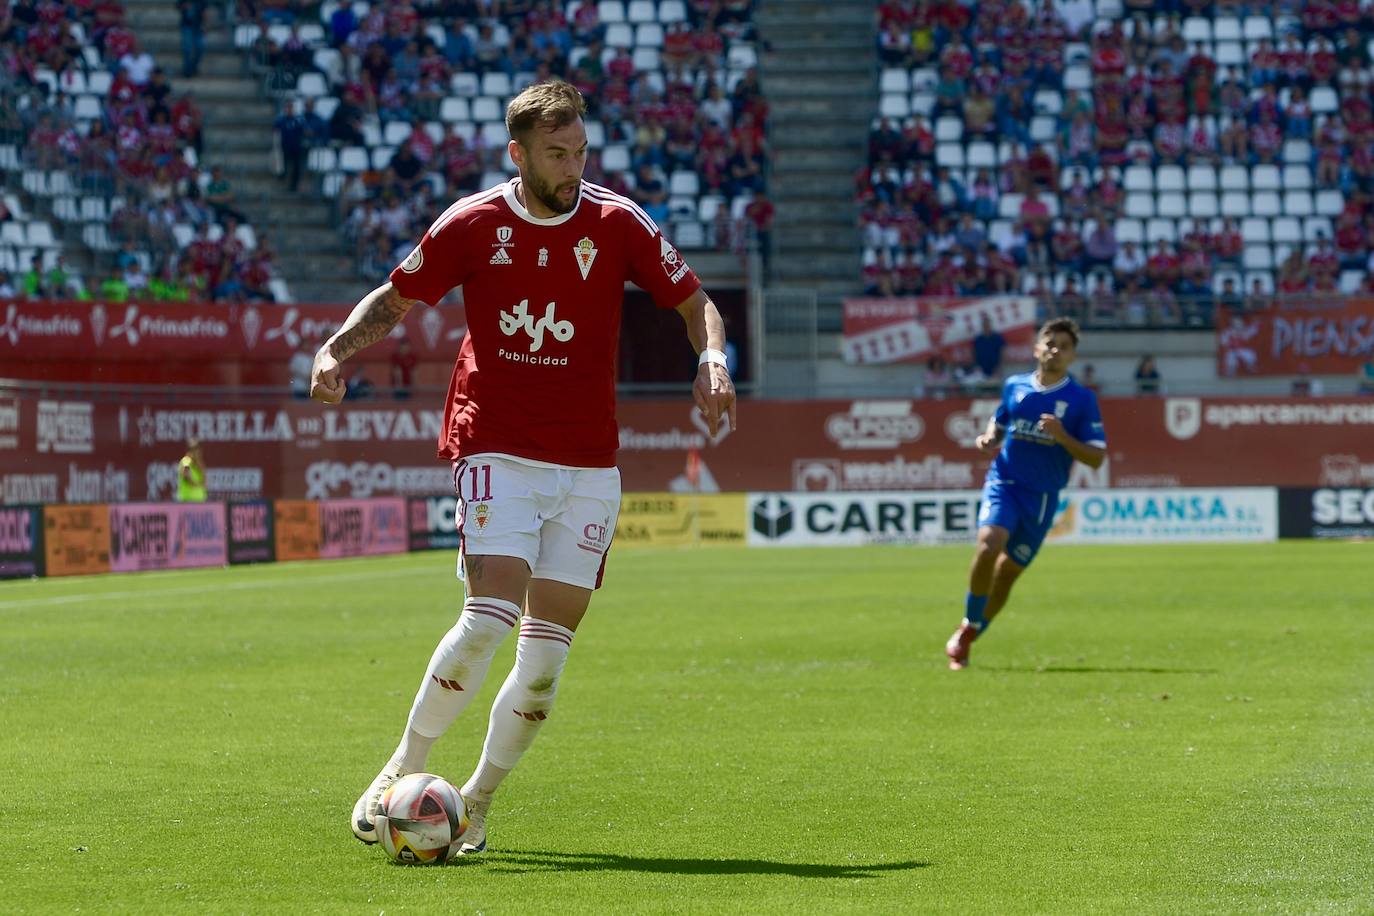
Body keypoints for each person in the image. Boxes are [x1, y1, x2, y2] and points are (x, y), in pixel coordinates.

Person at [310, 80, 737, 856]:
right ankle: (401, 768)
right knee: (487, 619)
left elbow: (694, 298)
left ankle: (472, 804)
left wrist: (710, 357)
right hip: (494, 441)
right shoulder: (473, 224)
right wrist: (335, 349)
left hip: (586, 464)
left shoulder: (616, 222)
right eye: (555, 153)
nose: (572, 166)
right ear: (518, 153)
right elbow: (398, 296)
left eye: (579, 151)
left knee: (542, 665)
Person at [944, 318, 1107, 670]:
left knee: (1007, 574)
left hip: (1043, 498)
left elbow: (1096, 458)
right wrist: (989, 438)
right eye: (1050, 342)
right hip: (1004, 482)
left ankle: (968, 635)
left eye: (1064, 346)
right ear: (1036, 348)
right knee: (989, 543)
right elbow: (1000, 422)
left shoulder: (1081, 399)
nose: (1056, 350)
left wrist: (1063, 437)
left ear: (1072, 356)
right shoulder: (1015, 386)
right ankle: (969, 625)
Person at [972, 314, 1005, 381]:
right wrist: (976, 366)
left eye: (987, 325)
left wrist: (999, 366)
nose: (986, 326)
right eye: (984, 325)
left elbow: (1002, 352)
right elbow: (974, 353)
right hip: (981, 368)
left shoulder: (997, 338)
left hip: (995, 368)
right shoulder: (978, 339)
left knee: (994, 388)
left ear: (990, 325)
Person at [176, 438, 207, 502]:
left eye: (197, 449)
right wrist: (199, 485)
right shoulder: (186, 461)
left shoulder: (199, 463)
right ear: (189, 451)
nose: (196, 452)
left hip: (200, 500)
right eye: (193, 450)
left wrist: (200, 466)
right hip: (187, 501)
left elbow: (204, 481)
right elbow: (187, 477)